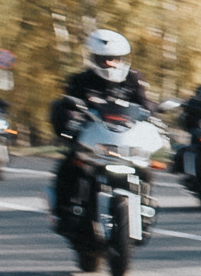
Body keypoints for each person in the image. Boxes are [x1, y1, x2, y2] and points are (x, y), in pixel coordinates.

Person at [49, 30, 150, 216]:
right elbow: (67, 106)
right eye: (104, 59)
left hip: (125, 139)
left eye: (115, 59)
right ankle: (63, 210)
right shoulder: (80, 81)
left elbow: (146, 106)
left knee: (145, 166)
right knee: (69, 165)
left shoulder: (133, 78)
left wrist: (154, 119)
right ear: (93, 58)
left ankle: (146, 202)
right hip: (93, 139)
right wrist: (70, 122)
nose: (110, 63)